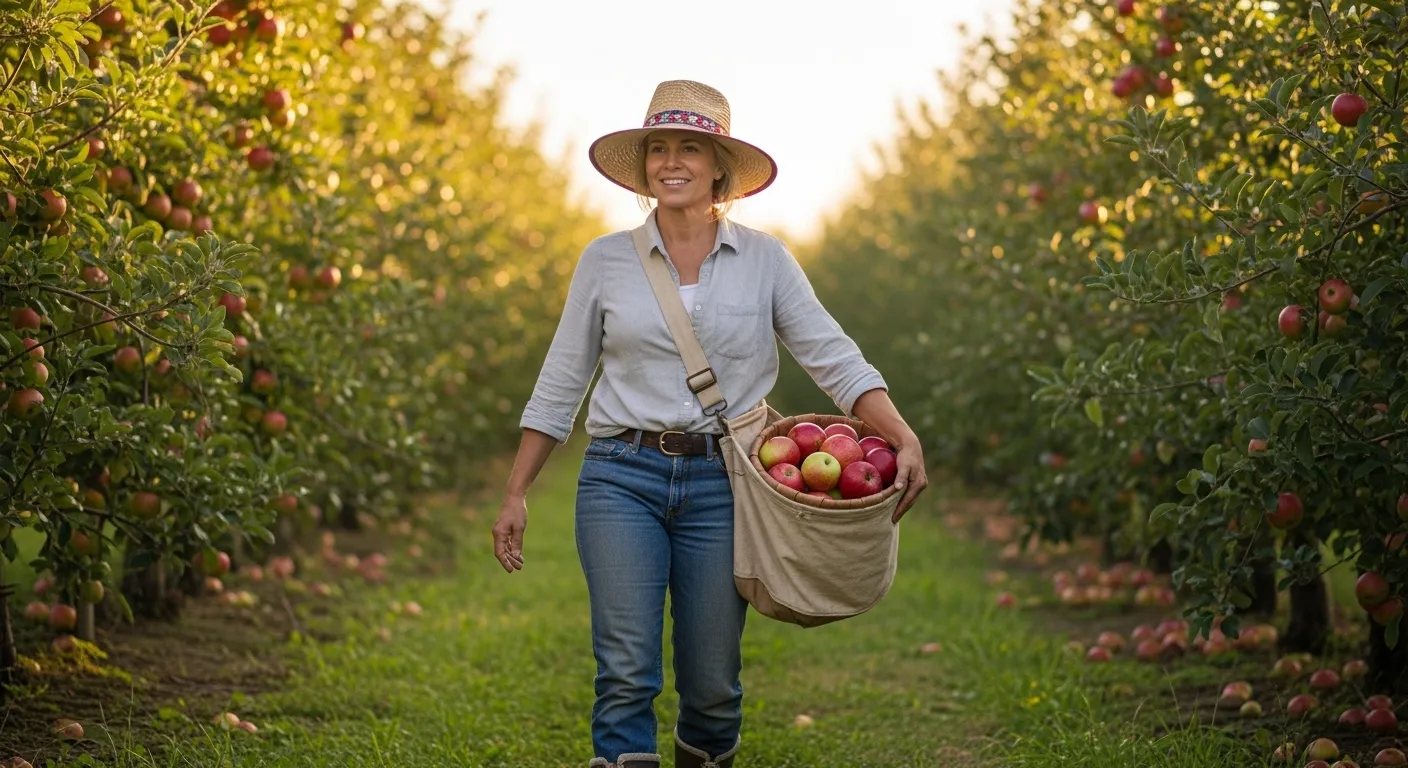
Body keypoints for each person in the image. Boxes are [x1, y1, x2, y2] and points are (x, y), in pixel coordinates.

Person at [491, 80, 928, 768]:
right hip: (620, 477)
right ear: (644, 166)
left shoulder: (765, 260)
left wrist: (900, 434)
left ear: (718, 164)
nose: (672, 161)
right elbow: (561, 381)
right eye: (658, 148)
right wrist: (516, 492)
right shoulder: (605, 260)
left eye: (689, 148)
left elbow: (833, 357)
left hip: (725, 484)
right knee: (626, 670)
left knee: (712, 685)